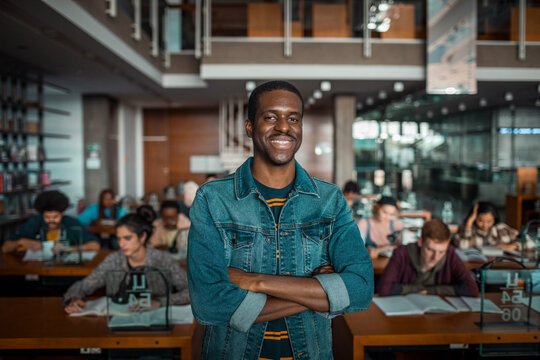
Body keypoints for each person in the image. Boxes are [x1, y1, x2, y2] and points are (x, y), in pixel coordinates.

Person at [187, 81, 373, 359]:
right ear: (250, 127)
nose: (284, 127)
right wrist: (321, 293)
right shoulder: (213, 199)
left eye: (293, 118)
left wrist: (256, 282)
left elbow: (361, 289)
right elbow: (209, 303)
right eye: (271, 117)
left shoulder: (330, 200)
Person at [63, 206, 189, 313]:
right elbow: (83, 286)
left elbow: (191, 292)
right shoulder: (114, 260)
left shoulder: (162, 259)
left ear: (142, 237)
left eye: (127, 238)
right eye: (119, 239)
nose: (121, 244)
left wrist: (160, 302)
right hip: (122, 319)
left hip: (158, 319)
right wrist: (74, 299)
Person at [378, 219, 478, 297]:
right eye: (430, 250)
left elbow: (472, 289)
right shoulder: (402, 253)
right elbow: (384, 288)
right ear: (420, 241)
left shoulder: (450, 254)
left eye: (441, 252)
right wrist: (420, 289)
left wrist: (430, 290)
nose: (435, 257)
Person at [2, 190, 100, 253]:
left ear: (62, 213)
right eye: (47, 217)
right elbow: (5, 248)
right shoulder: (35, 223)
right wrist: (21, 242)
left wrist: (68, 249)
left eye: (55, 216)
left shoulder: (71, 223)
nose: (51, 220)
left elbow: (95, 246)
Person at [454, 201, 531, 251]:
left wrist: (514, 246)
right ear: (475, 218)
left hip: (499, 266)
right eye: (480, 221)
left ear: (494, 219)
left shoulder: (501, 229)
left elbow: (529, 241)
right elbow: (462, 246)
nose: (485, 225)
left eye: (489, 221)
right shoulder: (466, 228)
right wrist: (469, 223)